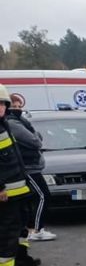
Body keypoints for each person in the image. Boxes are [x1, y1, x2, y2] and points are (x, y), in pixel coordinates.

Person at [8, 96, 55, 242]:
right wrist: (35, 135)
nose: (17, 109)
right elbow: (36, 141)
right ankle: (36, 230)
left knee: (31, 200)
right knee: (43, 196)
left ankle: (31, 229)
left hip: (33, 166)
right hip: (28, 168)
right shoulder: (13, 123)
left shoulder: (22, 122)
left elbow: (36, 138)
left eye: (19, 105)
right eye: (13, 106)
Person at [0, 84, 33, 266]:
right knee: (7, 228)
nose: (1, 108)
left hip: (17, 190)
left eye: (2, 104)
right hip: (5, 193)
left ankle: (18, 258)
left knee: (19, 224)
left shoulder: (4, 125)